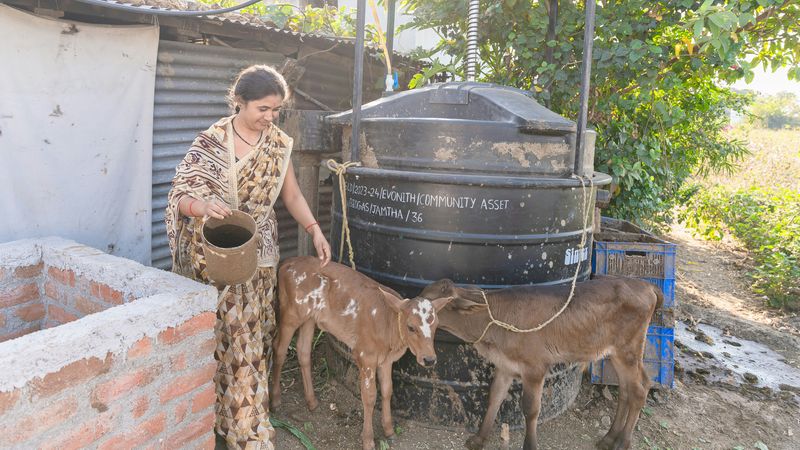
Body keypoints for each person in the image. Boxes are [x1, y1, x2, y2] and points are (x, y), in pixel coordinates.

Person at [165, 65, 331, 450]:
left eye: (276, 110)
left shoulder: (277, 144)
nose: (270, 118)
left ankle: (248, 424)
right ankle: (220, 422)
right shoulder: (210, 142)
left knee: (248, 341)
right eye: (263, 109)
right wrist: (202, 206)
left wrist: (314, 230)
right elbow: (179, 196)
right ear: (239, 101)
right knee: (219, 339)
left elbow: (291, 196)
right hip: (214, 258)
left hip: (257, 259)